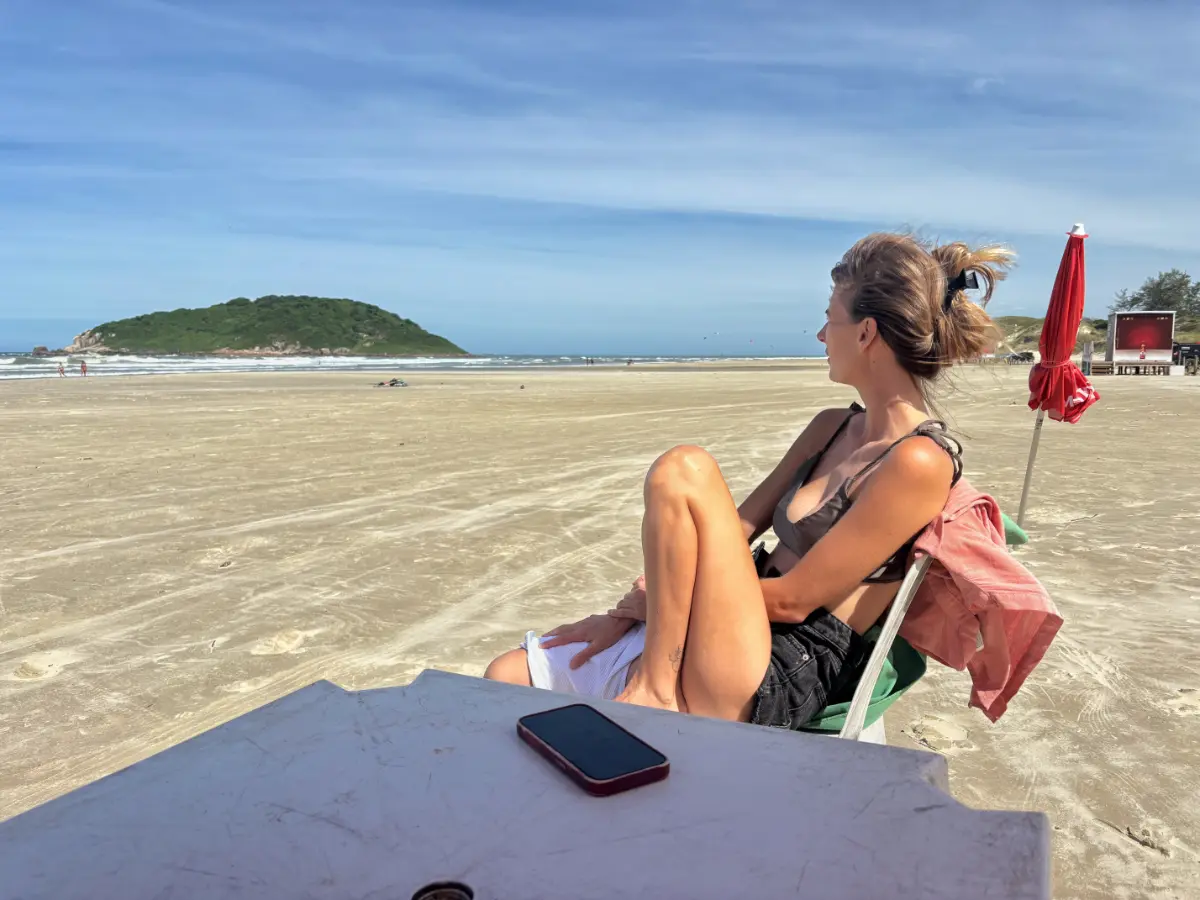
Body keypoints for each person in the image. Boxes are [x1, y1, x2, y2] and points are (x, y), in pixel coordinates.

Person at [485, 233, 1013, 729]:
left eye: (829, 319)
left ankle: (655, 685)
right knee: (505, 676)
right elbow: (733, 530)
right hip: (725, 625)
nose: (821, 335)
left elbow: (794, 602)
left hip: (781, 662)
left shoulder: (919, 462)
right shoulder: (832, 426)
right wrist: (627, 613)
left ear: (867, 332)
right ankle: (651, 685)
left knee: (684, 468)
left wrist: (664, 608)